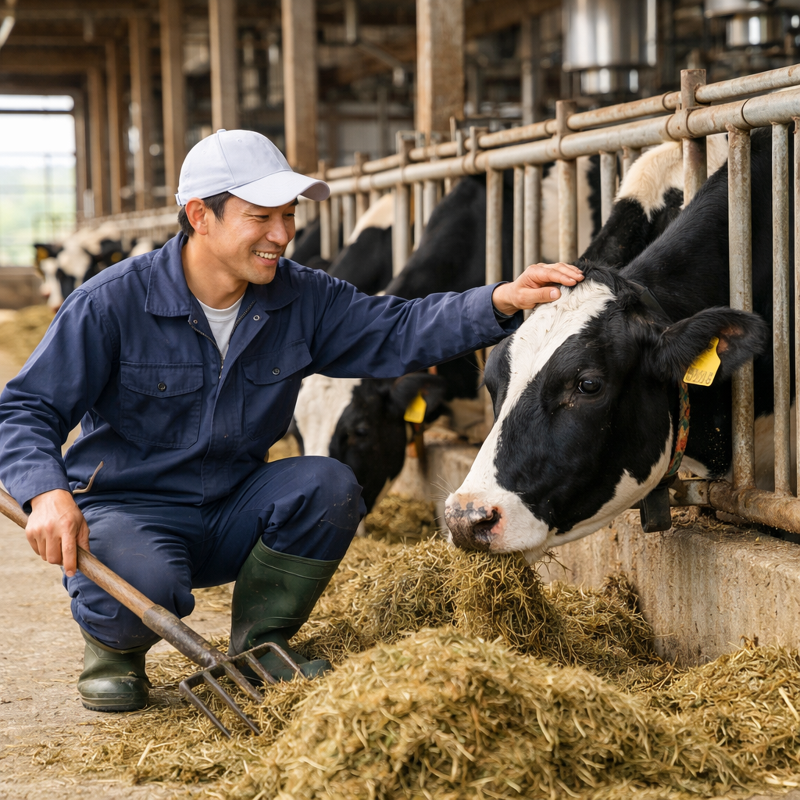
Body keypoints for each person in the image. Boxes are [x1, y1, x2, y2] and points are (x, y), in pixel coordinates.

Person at [0, 130, 583, 712]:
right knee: (140, 583)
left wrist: (500, 301)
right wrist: (47, 493)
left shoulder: (300, 297)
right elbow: (26, 408)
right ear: (200, 214)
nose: (282, 235)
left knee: (326, 485)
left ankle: (262, 644)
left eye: (288, 215)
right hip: (131, 510)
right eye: (261, 217)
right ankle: (112, 651)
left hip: (234, 503)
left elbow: (398, 327)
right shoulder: (112, 302)